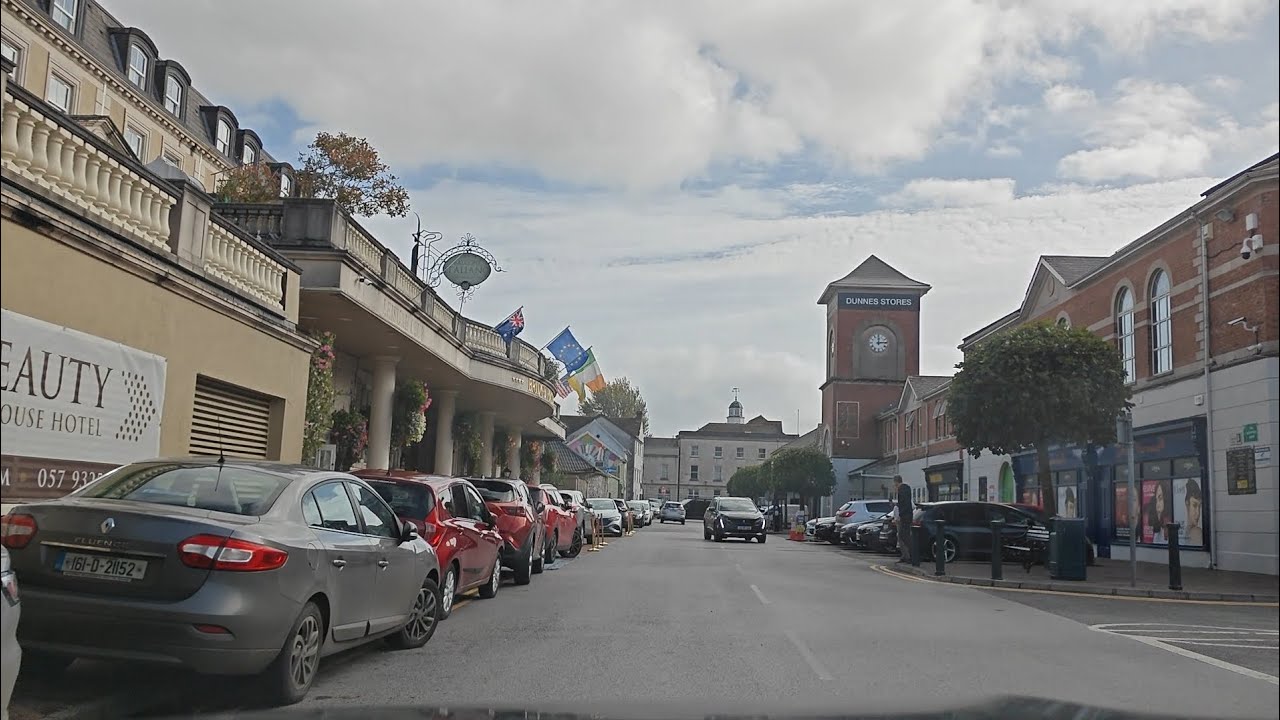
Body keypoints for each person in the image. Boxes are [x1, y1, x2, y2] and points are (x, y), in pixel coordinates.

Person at [894, 475, 913, 563]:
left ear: (896, 482)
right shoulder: (907, 488)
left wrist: (900, 515)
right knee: (903, 535)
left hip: (905, 516)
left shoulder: (901, 490)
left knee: (903, 535)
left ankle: (910, 555)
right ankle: (906, 556)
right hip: (908, 515)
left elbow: (903, 503)